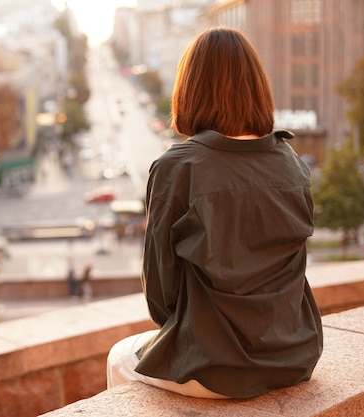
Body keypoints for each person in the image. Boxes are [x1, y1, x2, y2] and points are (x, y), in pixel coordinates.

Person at [106, 27, 323, 399]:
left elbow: (161, 296)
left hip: (216, 367)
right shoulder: (291, 162)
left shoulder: (179, 165)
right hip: (297, 353)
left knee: (118, 358)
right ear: (257, 88)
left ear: (189, 89)